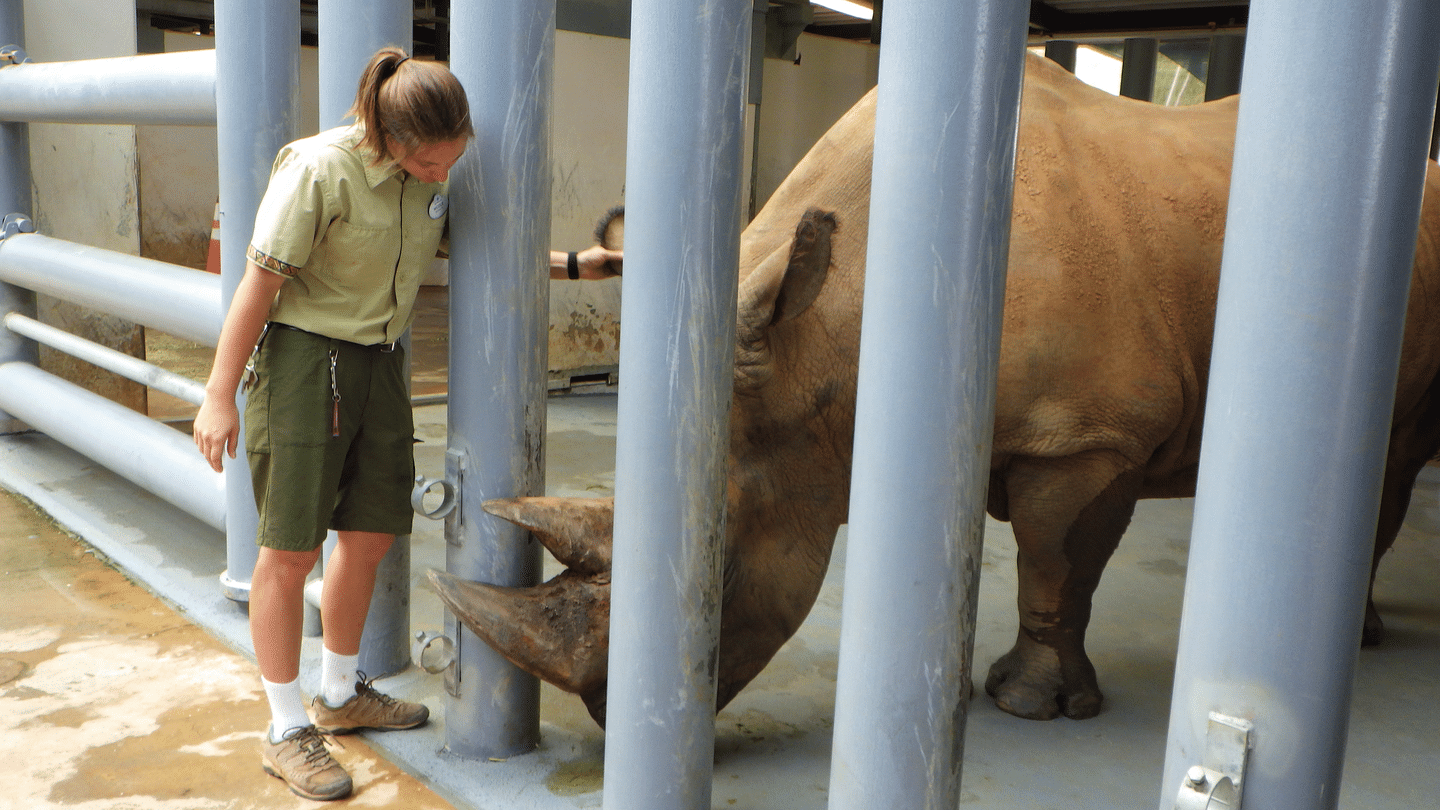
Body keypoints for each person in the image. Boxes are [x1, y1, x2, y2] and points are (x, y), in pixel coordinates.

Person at [192, 47, 620, 801]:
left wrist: (582, 265)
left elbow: (473, 247)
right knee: (288, 552)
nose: (439, 176)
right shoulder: (319, 170)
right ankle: (287, 728)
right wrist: (219, 393)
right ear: (389, 136)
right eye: (428, 164)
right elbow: (259, 282)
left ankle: (338, 693)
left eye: (450, 163)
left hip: (379, 363)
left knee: (368, 537)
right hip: (302, 364)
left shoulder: (428, 173)